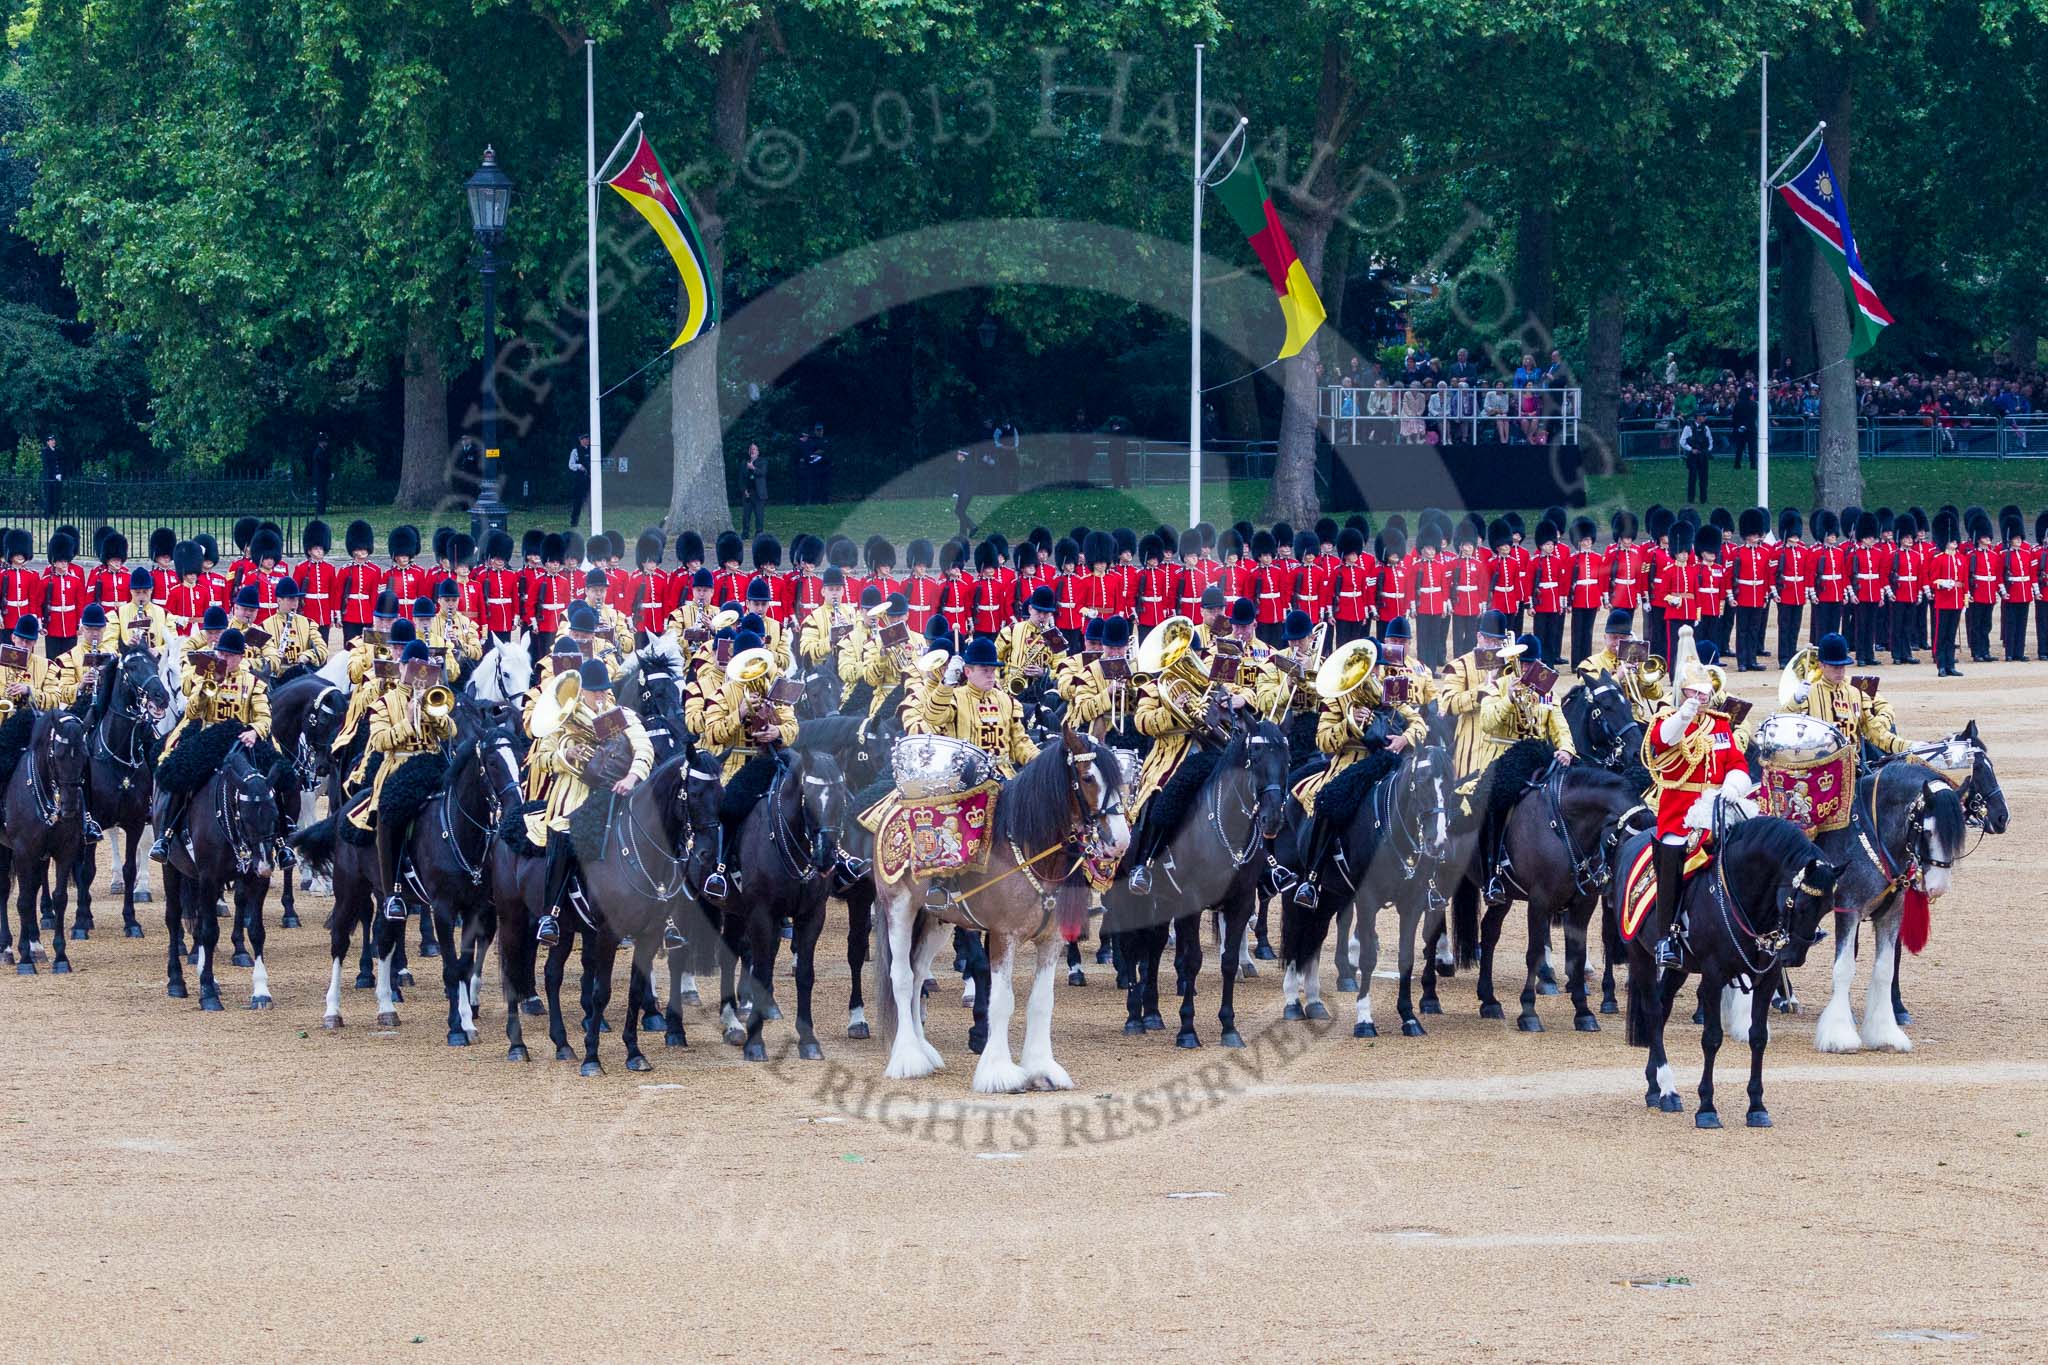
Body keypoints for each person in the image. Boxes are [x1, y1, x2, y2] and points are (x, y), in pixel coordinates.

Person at [1289, 638, 1427, 908]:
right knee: (1329, 804)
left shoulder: (1391, 691)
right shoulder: (1337, 696)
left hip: (1389, 764)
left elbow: (1419, 723)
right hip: (1348, 766)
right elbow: (1323, 741)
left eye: (1377, 668)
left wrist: (1405, 739)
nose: (1374, 673)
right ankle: (1313, 878)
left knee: (1423, 802)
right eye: (1371, 668)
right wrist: (1350, 724)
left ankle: (1429, 881)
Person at [1643, 626, 1749, 969]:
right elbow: (1661, 741)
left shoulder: (1719, 725)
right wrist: (1683, 715)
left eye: (1704, 693)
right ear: (1682, 690)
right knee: (1673, 854)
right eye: (1694, 692)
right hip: (1680, 813)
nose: (1701, 698)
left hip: (1718, 805)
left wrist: (1732, 787)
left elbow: (1736, 761)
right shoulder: (1667, 717)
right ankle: (1667, 936)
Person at [532, 658, 655, 947]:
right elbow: (541, 760)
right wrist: (567, 755)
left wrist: (632, 777)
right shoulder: (565, 719)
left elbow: (644, 747)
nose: (600, 696)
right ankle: (551, 913)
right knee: (564, 834)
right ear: (581, 692)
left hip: (617, 792)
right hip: (574, 793)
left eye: (603, 690)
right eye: (594, 691)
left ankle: (661, 913)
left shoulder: (618, 715)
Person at [151, 627, 270, 863]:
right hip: (209, 739)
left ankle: (280, 838)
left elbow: (264, 717)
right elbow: (193, 711)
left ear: (241, 657)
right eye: (221, 654)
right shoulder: (207, 675)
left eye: (229, 656)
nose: (224, 659)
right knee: (179, 773)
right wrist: (208, 686)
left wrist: (255, 731)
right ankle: (165, 836)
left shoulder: (253, 683)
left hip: (241, 741)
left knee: (276, 774)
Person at [1801, 632, 1908, 759]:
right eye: (1835, 667)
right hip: (1819, 765)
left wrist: (1906, 746)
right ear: (1821, 665)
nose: (1840, 671)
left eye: (1843, 666)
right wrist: (1796, 701)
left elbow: (1874, 731)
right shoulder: (1808, 693)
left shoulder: (1855, 692)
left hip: (1853, 765)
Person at [1679, 411, 1713, 502]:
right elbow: (1682, 441)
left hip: (1703, 456)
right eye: (1702, 416)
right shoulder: (1688, 428)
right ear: (1697, 417)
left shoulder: (1706, 428)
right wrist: (1691, 449)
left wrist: (1707, 451)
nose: (1704, 418)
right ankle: (1691, 499)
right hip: (1693, 456)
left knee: (1704, 478)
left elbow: (1710, 441)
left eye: (1704, 416)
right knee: (1692, 477)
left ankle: (1703, 499)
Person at [740, 443, 768, 538]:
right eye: (751, 449)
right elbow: (741, 479)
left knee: (759, 514)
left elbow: (762, 473)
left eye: (754, 449)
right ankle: (745, 533)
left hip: (759, 493)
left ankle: (759, 533)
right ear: (749, 451)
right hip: (748, 493)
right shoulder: (744, 463)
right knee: (746, 515)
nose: (752, 451)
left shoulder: (762, 462)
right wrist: (744, 490)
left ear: (758, 452)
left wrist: (753, 468)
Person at [566, 434, 591, 528]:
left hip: (590, 480)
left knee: (591, 501)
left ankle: (591, 521)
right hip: (579, 480)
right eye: (584, 439)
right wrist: (579, 466)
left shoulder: (592, 450)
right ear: (580, 440)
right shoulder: (575, 451)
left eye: (587, 439)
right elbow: (571, 465)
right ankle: (574, 522)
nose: (586, 440)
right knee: (578, 501)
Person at [951, 449, 978, 538]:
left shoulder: (964, 466)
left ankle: (972, 526)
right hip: (967, 492)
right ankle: (963, 533)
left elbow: (962, 481)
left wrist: (957, 492)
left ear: (963, 456)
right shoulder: (966, 465)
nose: (957, 456)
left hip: (965, 492)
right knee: (961, 511)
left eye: (959, 455)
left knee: (959, 511)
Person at [309, 432, 333, 514]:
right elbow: (324, 464)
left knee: (322, 494)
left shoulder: (321, 451)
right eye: (324, 441)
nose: (326, 443)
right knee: (321, 494)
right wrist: (329, 473)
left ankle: (321, 510)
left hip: (322, 476)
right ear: (321, 442)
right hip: (320, 477)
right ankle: (320, 511)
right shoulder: (319, 452)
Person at [40, 434, 64, 517]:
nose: (53, 441)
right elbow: (47, 465)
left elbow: (60, 463)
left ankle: (55, 513)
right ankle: (47, 514)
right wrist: (54, 475)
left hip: (57, 477)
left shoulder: (57, 451)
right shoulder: (45, 451)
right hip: (49, 477)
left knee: (56, 496)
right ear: (48, 442)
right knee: (48, 495)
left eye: (54, 440)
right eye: (51, 440)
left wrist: (60, 473)